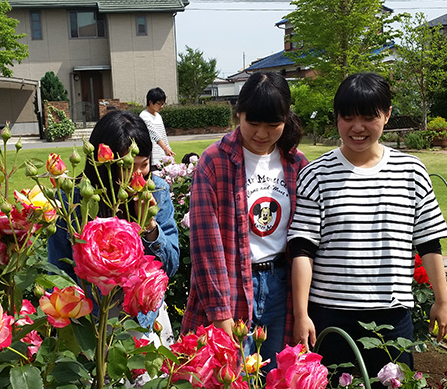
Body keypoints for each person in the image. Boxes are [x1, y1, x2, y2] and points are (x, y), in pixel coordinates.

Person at [288, 72, 447, 389]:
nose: (357, 127)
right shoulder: (315, 175)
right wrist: (301, 314)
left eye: (368, 117)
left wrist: (442, 301)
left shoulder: (411, 172)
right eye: (347, 117)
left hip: (392, 318)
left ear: (387, 114)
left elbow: (429, 243)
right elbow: (302, 250)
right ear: (336, 118)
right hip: (331, 317)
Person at [182, 72, 307, 368]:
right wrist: (220, 313)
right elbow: (205, 247)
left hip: (282, 284)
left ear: (285, 119)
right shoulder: (215, 161)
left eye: (273, 124)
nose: (262, 133)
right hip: (233, 284)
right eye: (253, 122)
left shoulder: (296, 163)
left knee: (278, 382)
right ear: (238, 113)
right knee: (233, 387)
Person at [47, 110, 180, 343]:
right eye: (127, 166)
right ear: (102, 162)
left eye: (144, 165)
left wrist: (149, 225)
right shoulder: (75, 199)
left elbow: (170, 265)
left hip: (144, 318)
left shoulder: (156, 191)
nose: (137, 175)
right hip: (92, 320)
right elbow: (57, 271)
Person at [140, 87, 173, 166]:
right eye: (159, 103)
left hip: (162, 156)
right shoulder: (144, 116)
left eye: (163, 103)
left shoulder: (158, 116)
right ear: (150, 102)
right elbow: (154, 135)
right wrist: (165, 148)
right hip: (152, 158)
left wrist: (169, 152)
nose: (161, 106)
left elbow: (163, 135)